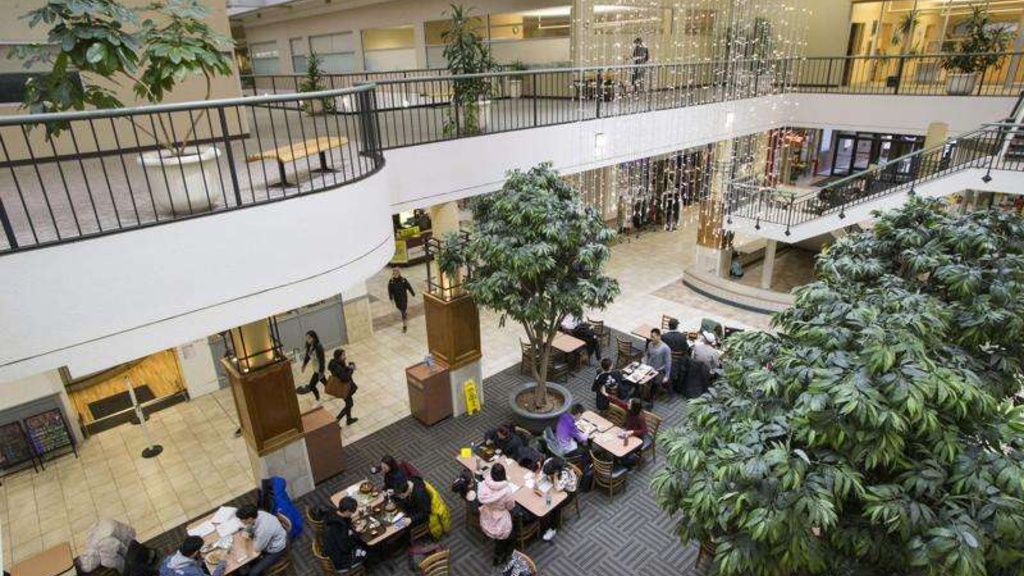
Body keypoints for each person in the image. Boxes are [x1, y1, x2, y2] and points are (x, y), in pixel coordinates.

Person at [477, 463, 517, 566]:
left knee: (499, 539)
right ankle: (503, 555)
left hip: (487, 514)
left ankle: (497, 557)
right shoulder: (507, 491)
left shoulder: (484, 484)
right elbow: (510, 507)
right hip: (500, 519)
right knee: (509, 535)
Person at [236, 504, 288, 576]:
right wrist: (247, 531)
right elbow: (250, 526)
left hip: (275, 550)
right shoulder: (258, 513)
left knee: (253, 573)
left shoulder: (263, 529)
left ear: (250, 519)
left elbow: (257, 548)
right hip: (270, 539)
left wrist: (248, 541)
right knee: (247, 559)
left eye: (242, 520)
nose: (240, 521)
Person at [322, 497, 368, 571]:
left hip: (332, 549)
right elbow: (346, 547)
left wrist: (351, 531)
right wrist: (356, 532)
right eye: (351, 512)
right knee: (366, 551)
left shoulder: (333, 513)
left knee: (360, 542)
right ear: (346, 511)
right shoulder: (338, 528)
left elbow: (346, 526)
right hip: (341, 560)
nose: (352, 514)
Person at [539, 457, 579, 542]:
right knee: (545, 497)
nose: (549, 475)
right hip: (558, 484)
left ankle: (553, 528)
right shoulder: (550, 461)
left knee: (555, 506)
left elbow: (558, 488)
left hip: (568, 492)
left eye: (550, 474)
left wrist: (555, 477)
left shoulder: (565, 473)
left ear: (556, 472)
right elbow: (543, 472)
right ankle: (544, 520)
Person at [605, 395, 650, 468]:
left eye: (629, 403)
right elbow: (619, 402)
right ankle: (618, 459)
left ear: (633, 406)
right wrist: (607, 395)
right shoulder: (629, 409)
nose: (627, 403)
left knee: (622, 451)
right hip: (628, 433)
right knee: (616, 442)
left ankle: (629, 462)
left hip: (637, 438)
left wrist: (632, 432)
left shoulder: (640, 417)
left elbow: (644, 431)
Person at [160, 536, 225, 576]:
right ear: (196, 552)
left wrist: (200, 560)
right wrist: (222, 564)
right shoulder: (193, 572)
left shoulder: (169, 559)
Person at [327, 349, 358, 425]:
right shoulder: (337, 366)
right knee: (349, 404)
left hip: (342, 387)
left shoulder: (337, 363)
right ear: (339, 356)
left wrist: (348, 367)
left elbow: (342, 371)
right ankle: (336, 421)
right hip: (343, 388)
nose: (345, 356)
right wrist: (351, 369)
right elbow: (345, 378)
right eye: (343, 355)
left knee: (348, 403)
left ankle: (349, 419)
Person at [643, 328, 672, 402]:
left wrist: (667, 376)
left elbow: (668, 362)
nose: (651, 338)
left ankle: (650, 399)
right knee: (639, 378)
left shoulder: (665, 348)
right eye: (651, 336)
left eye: (653, 336)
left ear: (659, 336)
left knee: (655, 383)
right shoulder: (650, 344)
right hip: (648, 367)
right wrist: (644, 362)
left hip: (659, 370)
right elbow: (646, 354)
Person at [299, 330, 326, 401]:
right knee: (325, 382)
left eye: (309, 338)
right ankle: (335, 390)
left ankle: (318, 398)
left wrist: (321, 372)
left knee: (311, 385)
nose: (307, 340)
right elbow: (308, 356)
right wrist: (304, 365)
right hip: (316, 369)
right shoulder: (310, 346)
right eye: (307, 338)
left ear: (313, 338)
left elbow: (322, 360)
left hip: (319, 370)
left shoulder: (318, 346)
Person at [387, 268, 416, 333]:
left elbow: (409, 286)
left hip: (403, 298)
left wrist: (412, 293)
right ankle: (404, 313)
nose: (395, 275)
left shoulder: (403, 280)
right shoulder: (391, 281)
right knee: (399, 308)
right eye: (394, 273)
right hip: (397, 299)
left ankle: (404, 326)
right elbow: (390, 290)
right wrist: (391, 298)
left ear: (399, 273)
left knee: (403, 310)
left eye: (396, 273)